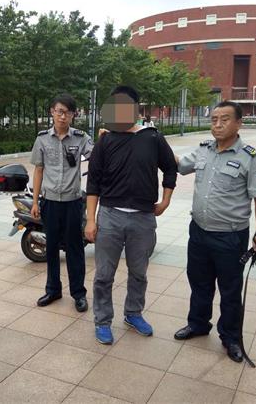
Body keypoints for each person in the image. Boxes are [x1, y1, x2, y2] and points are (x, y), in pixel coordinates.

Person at [173, 101, 256, 363]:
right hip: (199, 232)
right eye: (214, 119)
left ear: (238, 123)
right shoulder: (203, 150)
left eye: (224, 119)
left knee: (230, 290)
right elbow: (179, 165)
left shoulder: (251, 157)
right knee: (199, 282)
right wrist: (149, 141)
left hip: (230, 236)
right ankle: (198, 324)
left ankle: (230, 338)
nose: (217, 124)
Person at [85, 85, 178, 345]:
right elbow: (93, 183)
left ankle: (133, 313)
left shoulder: (153, 138)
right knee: (104, 274)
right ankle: (102, 321)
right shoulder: (105, 141)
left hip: (143, 218)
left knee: (139, 272)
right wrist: (91, 220)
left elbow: (170, 167)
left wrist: (166, 200)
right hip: (110, 216)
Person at [30, 94, 94, 312]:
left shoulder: (80, 138)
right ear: (52, 112)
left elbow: (96, 157)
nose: (63, 116)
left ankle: (78, 293)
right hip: (49, 203)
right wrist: (35, 201)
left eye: (67, 112)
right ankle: (53, 290)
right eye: (59, 111)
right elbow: (38, 170)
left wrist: (105, 140)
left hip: (72, 202)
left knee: (75, 249)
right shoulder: (42, 139)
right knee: (51, 248)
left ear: (73, 115)